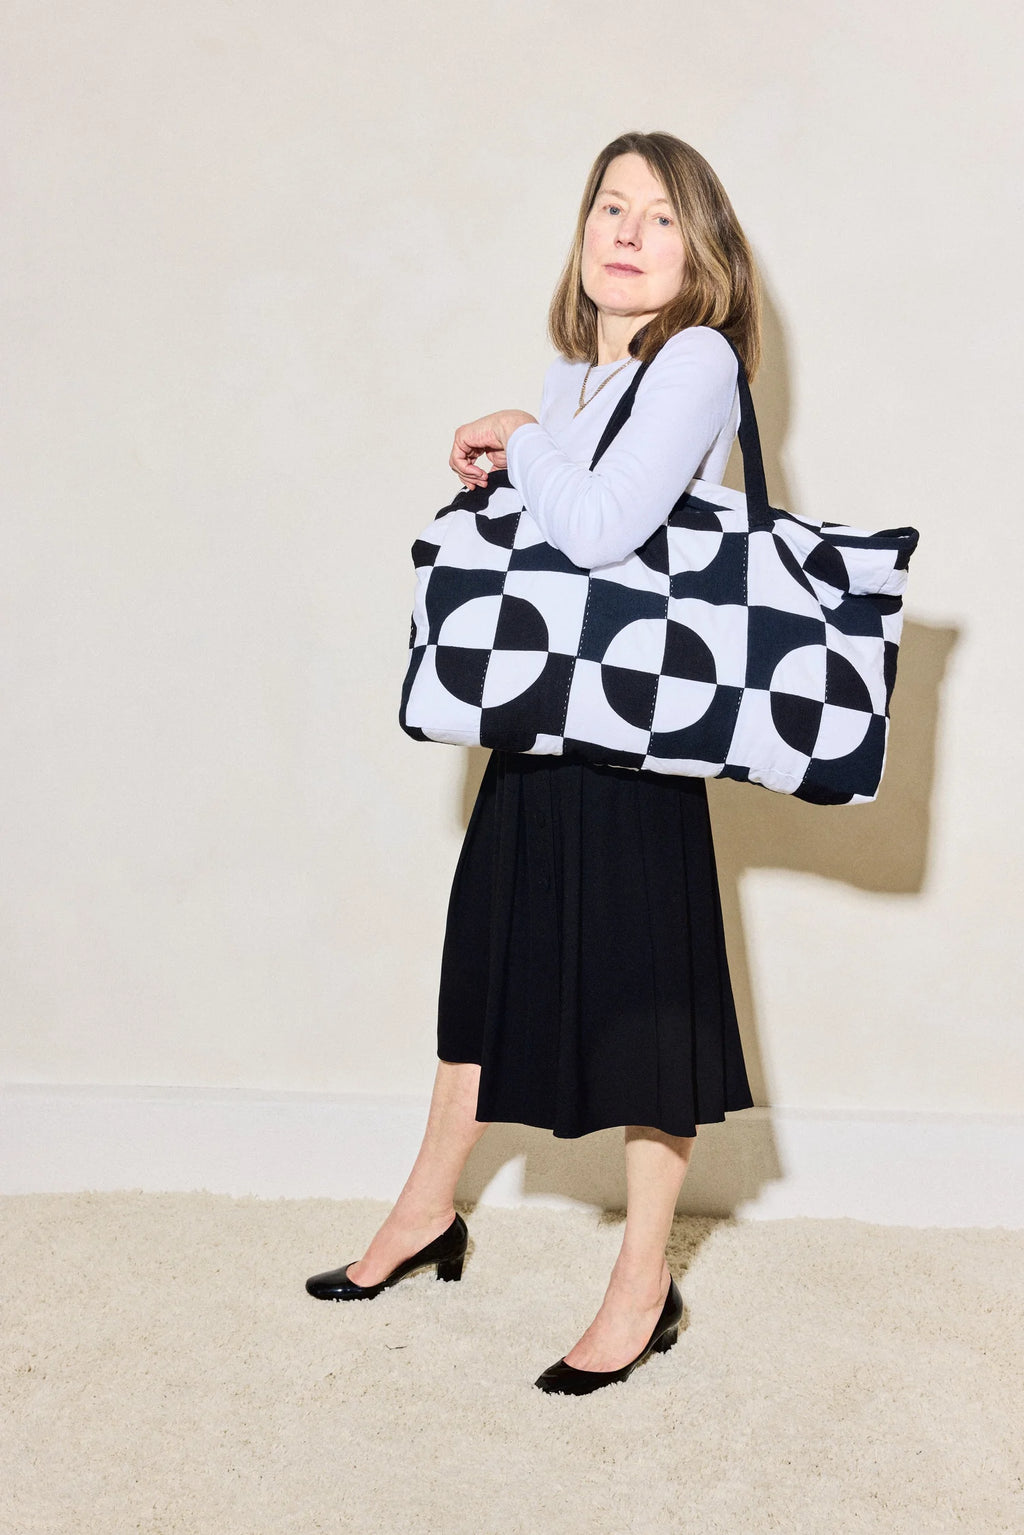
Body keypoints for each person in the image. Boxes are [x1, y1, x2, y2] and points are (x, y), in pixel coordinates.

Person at [306, 130, 760, 1396]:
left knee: (644, 997)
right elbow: (554, 536)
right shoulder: (574, 377)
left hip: (634, 739)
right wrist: (519, 447)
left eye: (660, 216)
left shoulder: (698, 362)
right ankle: (423, 1206)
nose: (624, 231)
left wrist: (524, 435)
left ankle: (642, 1277)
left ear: (702, 248)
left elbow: (610, 533)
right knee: (487, 960)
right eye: (607, 206)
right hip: (542, 718)